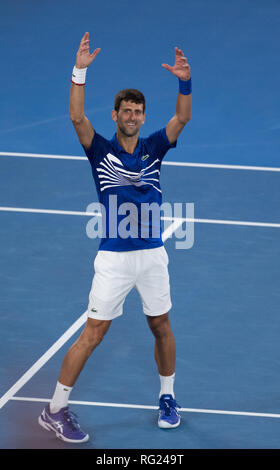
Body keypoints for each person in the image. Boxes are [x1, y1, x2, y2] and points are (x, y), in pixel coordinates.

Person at [38, 32, 192, 443]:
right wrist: (79, 72)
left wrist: (184, 82)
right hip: (114, 258)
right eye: (126, 110)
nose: (132, 116)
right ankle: (54, 409)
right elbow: (75, 118)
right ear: (115, 115)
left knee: (161, 325)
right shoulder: (99, 150)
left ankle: (167, 398)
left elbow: (182, 119)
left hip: (153, 255)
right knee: (93, 333)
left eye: (138, 111)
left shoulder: (156, 147)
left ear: (143, 117)